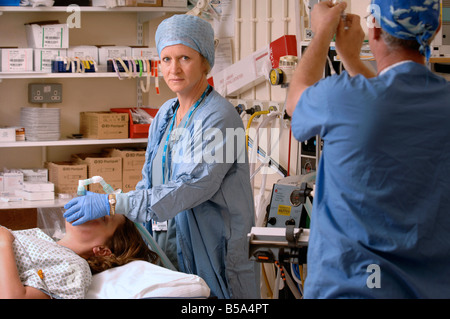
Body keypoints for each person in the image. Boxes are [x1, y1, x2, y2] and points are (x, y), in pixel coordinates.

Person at [63, 14, 259, 299]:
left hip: (216, 248)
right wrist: (125, 217)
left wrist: (114, 202)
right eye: (166, 59)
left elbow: (191, 186)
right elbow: (148, 181)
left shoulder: (221, 118)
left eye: (184, 58)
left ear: (205, 61)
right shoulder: (166, 114)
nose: (174, 69)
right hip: (170, 243)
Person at [286, 0, 450, 298]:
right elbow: (394, 103)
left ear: (373, 28)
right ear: (436, 28)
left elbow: (295, 102)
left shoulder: (343, 99)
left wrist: (322, 32)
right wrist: (350, 60)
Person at [0, 215, 158, 299]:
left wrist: (4, 243)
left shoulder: (75, 268)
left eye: (103, 218)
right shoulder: (46, 240)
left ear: (103, 250)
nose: (89, 211)